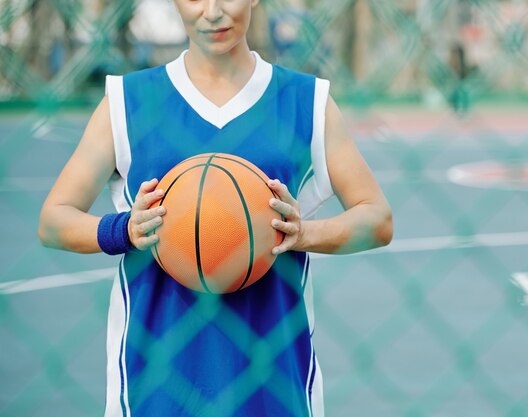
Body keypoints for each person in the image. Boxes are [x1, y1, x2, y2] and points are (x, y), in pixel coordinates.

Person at [38, 0, 393, 416]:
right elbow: (53, 220)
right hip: (155, 383)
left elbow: (377, 217)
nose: (212, 11)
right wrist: (125, 231)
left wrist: (304, 232)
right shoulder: (128, 101)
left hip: (275, 382)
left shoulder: (306, 101)